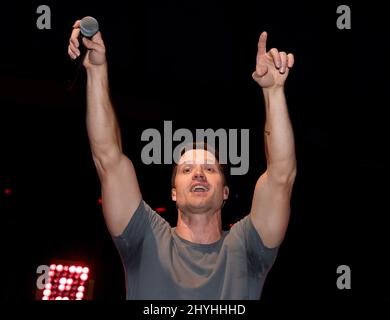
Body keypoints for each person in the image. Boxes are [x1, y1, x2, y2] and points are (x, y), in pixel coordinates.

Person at [68, 19, 296, 300]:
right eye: (187, 169)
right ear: (173, 192)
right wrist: (97, 70)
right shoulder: (145, 237)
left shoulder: (247, 247)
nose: (198, 174)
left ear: (225, 192)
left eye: (210, 169)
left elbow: (281, 176)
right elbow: (107, 158)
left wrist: (273, 92)